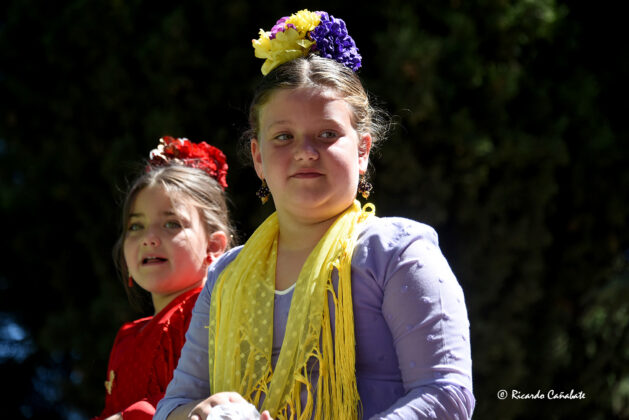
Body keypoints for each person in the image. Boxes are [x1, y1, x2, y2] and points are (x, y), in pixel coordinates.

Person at [155, 9, 474, 420]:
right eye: (283, 137)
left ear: (362, 150)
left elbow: (446, 395)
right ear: (257, 157)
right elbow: (172, 406)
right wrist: (201, 413)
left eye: (327, 134)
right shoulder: (226, 276)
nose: (305, 152)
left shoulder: (395, 253)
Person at [93, 137, 235, 420]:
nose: (149, 238)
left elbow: (217, 396)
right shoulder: (126, 338)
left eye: (171, 223)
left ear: (213, 246)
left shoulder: (213, 310)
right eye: (136, 226)